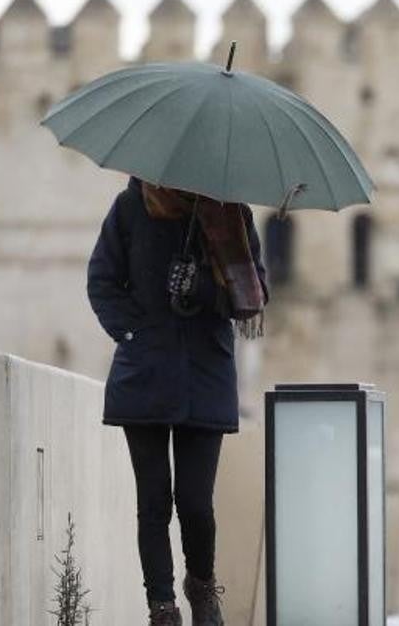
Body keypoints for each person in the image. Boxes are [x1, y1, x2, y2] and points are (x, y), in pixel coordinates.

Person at [88, 177, 267, 626]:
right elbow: (103, 281)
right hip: (146, 376)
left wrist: (204, 287)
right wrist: (135, 334)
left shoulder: (232, 214)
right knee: (153, 502)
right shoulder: (132, 207)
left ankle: (202, 587)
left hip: (206, 377)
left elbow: (255, 294)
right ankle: (162, 606)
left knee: (196, 504)